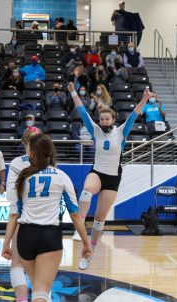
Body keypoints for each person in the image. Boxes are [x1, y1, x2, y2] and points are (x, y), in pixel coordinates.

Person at [2, 133, 91, 302]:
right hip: (49, 236)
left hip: (25, 235)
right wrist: (86, 242)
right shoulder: (61, 176)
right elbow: (74, 213)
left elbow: (14, 215)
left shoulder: (24, 178)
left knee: (38, 289)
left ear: (32, 154)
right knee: (41, 292)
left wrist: (6, 243)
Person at [67, 81, 151, 270]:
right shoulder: (95, 130)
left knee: (99, 218)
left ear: (112, 120)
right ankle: (78, 225)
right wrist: (73, 92)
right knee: (87, 190)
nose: (104, 121)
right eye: (102, 119)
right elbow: (82, 112)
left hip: (112, 178)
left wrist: (145, 98)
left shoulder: (121, 132)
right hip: (97, 172)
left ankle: (90, 251)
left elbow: (134, 115)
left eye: (107, 119)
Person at [4, 128, 44, 302]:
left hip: (25, 219)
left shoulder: (16, 163)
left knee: (18, 264)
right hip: (46, 221)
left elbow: (12, 198)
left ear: (25, 144)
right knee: (43, 267)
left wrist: (6, 241)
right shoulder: (50, 164)